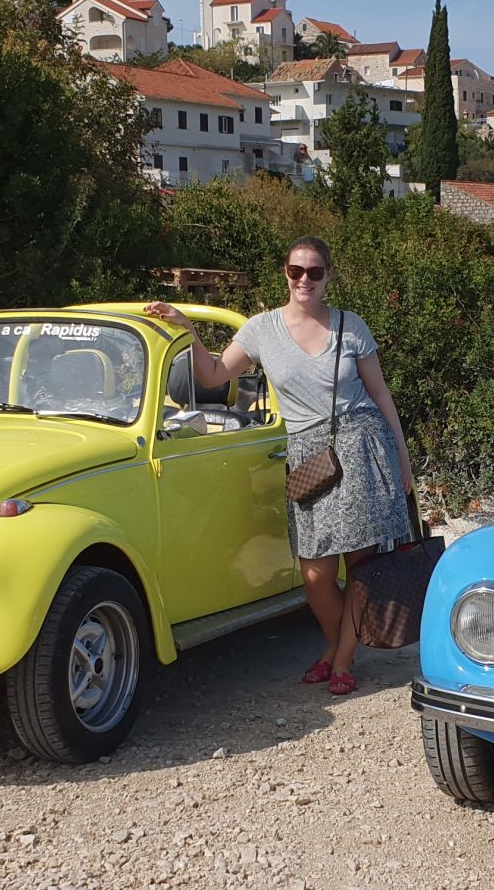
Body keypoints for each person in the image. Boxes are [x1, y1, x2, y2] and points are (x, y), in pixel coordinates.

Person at [145, 238, 416, 696]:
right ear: (285, 274)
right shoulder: (261, 329)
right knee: (315, 573)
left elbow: (380, 394)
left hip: (362, 445)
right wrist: (188, 328)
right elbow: (213, 374)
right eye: (296, 271)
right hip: (309, 455)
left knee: (362, 565)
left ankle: (341, 659)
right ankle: (336, 647)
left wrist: (403, 460)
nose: (304, 280)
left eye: (315, 272)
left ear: (329, 276)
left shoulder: (350, 326)